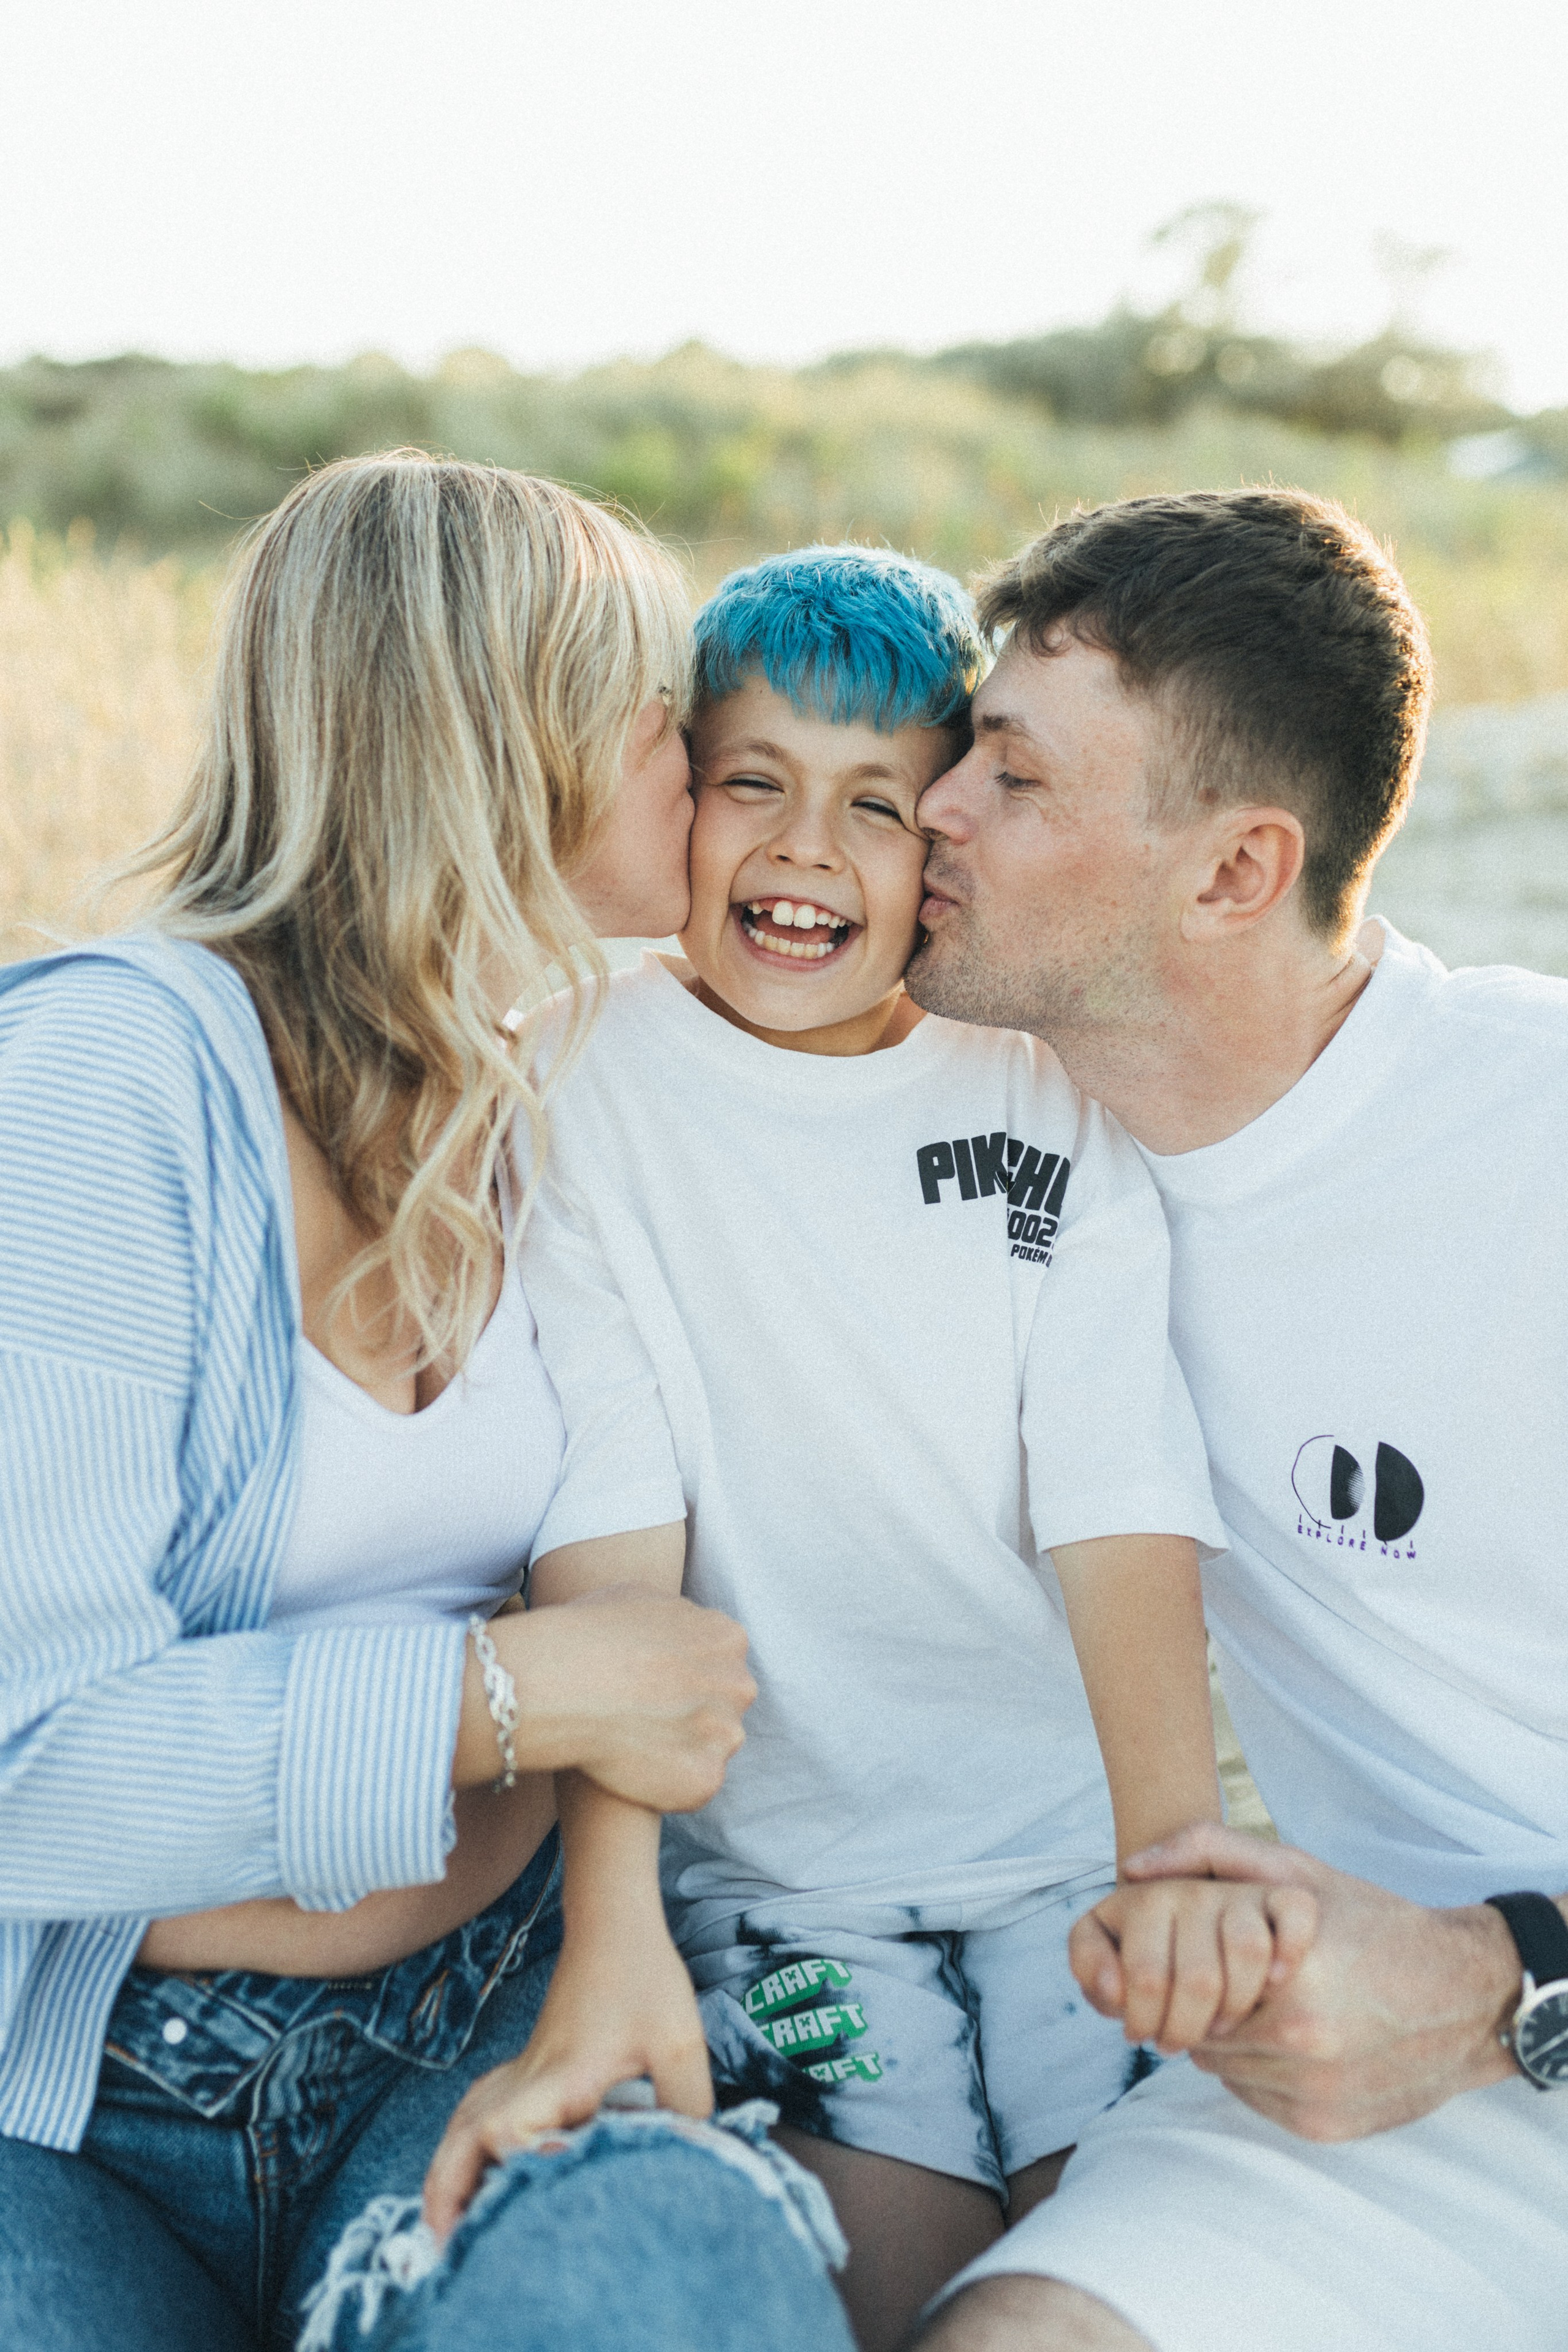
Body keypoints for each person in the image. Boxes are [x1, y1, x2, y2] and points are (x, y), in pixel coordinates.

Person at [0, 453, 854, 2352]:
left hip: (489, 2017)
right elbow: (22, 1769)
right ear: (505, 736)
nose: (695, 748)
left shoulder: (560, 1099)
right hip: (78, 2105)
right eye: (654, 705)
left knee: (672, 2292)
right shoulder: (100, 1090)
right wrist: (518, 1696)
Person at [448, 546, 1313, 2352]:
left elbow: (1114, 1491)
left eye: (875, 806)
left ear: (943, 843)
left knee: (1120, 2275)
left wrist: (1174, 1861)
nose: (803, 854)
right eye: (751, 783)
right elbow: (613, 1526)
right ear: (679, 793)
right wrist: (614, 1923)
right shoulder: (572, 1082)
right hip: (783, 1890)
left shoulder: (1035, 1075)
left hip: (1074, 1860)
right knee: (889, 2289)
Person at [902, 487, 1568, 2352]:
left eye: (1016, 783)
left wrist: (1510, 1972)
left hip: (1500, 1994)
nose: (934, 807)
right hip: (1363, 2086)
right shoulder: (992, 1127)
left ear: (1233, 872)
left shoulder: (1538, 1136)